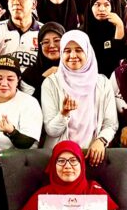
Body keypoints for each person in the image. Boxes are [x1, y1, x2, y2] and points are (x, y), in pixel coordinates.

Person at [42, 31, 117, 163]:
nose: (72, 55)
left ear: (88, 52)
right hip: (61, 160)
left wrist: (101, 140)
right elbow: (51, 131)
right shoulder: (51, 83)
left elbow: (111, 124)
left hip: (93, 155)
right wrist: (63, 114)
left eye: (78, 50)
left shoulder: (103, 83)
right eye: (67, 51)